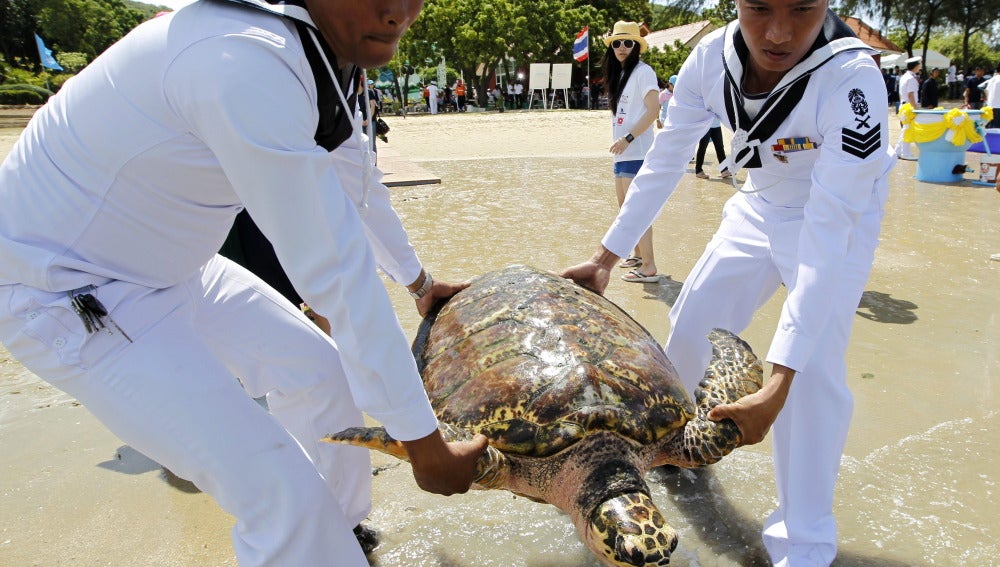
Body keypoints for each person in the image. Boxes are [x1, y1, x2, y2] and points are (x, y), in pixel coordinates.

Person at [0, 1, 489, 565]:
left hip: (179, 264)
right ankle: (309, 538)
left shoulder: (323, 52)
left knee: (326, 378)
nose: (398, 12)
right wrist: (426, 446)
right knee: (279, 498)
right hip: (68, 289)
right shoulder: (242, 59)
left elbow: (356, 181)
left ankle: (340, 536)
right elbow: (335, 269)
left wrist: (420, 283)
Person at [561, 2, 895, 565]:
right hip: (758, 203)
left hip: (838, 216)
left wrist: (778, 382)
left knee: (812, 374)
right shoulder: (708, 58)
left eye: (802, 8)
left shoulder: (852, 80)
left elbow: (825, 237)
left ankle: (804, 542)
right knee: (690, 325)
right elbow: (665, 160)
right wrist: (606, 256)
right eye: (759, 7)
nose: (780, 31)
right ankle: (670, 449)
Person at [601, 21, 663, 283]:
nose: (622, 47)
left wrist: (627, 138)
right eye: (617, 43)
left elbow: (653, 110)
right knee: (624, 207)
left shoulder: (643, 71)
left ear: (637, 46)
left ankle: (649, 267)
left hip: (636, 149)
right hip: (623, 152)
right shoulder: (622, 74)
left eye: (628, 42)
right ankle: (637, 255)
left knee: (636, 210)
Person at [897, 56, 921, 160]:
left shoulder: (904, 76)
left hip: (904, 105)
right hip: (909, 106)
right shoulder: (911, 78)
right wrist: (914, 109)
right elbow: (911, 94)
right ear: (915, 66)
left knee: (905, 130)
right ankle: (905, 153)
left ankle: (898, 151)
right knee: (907, 130)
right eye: (919, 65)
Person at [984, 63, 1000, 128]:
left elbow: (986, 91)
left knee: (991, 127)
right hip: (998, 106)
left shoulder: (992, 79)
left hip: (990, 106)